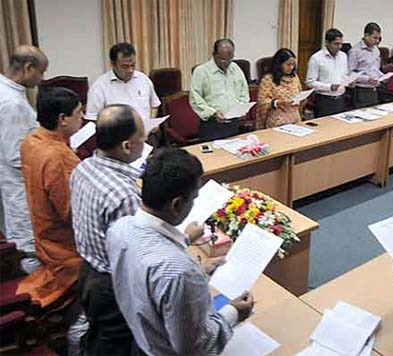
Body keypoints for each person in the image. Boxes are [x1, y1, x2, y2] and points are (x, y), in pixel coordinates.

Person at [106, 147, 255, 355]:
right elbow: (194, 348)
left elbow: (149, 267)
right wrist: (234, 312)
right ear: (176, 205)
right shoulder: (179, 272)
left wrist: (195, 265)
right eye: (193, 198)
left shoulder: (119, 229)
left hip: (139, 339)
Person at [71, 105, 147, 355]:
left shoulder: (82, 167)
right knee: (116, 345)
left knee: (98, 334)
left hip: (87, 271)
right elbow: (135, 259)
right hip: (113, 286)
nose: (144, 143)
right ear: (127, 146)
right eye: (142, 139)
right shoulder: (124, 195)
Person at [17, 87, 83, 311]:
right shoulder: (58, 156)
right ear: (62, 119)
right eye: (79, 113)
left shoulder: (31, 141)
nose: (82, 118)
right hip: (67, 251)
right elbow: (73, 213)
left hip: (43, 239)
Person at [0, 45, 48, 273]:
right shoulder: (12, 104)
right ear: (28, 68)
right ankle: (36, 301)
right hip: (18, 185)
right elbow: (16, 156)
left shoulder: (6, 90)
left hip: (12, 182)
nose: (42, 78)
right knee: (28, 245)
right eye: (41, 72)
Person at [86, 43, 161, 132]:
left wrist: (152, 121)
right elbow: (93, 119)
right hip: (118, 140)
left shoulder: (143, 79)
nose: (130, 70)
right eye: (125, 66)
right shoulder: (99, 86)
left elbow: (154, 105)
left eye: (133, 65)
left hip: (146, 135)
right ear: (113, 64)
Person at [191, 39, 250, 140]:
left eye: (230, 59)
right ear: (214, 55)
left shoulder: (235, 68)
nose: (227, 63)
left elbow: (243, 90)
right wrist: (213, 113)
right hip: (212, 124)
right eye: (223, 59)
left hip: (233, 122)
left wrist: (241, 107)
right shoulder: (201, 71)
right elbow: (196, 99)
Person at [306, 28, 349, 117]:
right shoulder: (316, 58)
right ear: (327, 43)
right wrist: (329, 87)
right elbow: (309, 82)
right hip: (324, 100)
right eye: (336, 44)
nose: (339, 47)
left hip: (341, 98)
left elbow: (344, 74)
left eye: (341, 44)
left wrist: (349, 81)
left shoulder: (343, 56)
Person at [256, 48, 302, 129]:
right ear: (279, 64)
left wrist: (302, 99)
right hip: (277, 120)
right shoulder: (268, 79)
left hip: (295, 118)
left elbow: (299, 93)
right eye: (288, 64)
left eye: (293, 64)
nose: (291, 67)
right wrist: (277, 103)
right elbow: (262, 101)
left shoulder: (294, 77)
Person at [348, 22, 383, 108]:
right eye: (375, 38)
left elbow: (375, 69)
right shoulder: (355, 51)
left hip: (374, 89)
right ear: (366, 35)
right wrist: (367, 79)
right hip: (361, 91)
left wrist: (382, 76)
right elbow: (350, 74)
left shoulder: (376, 50)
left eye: (378, 38)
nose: (377, 41)